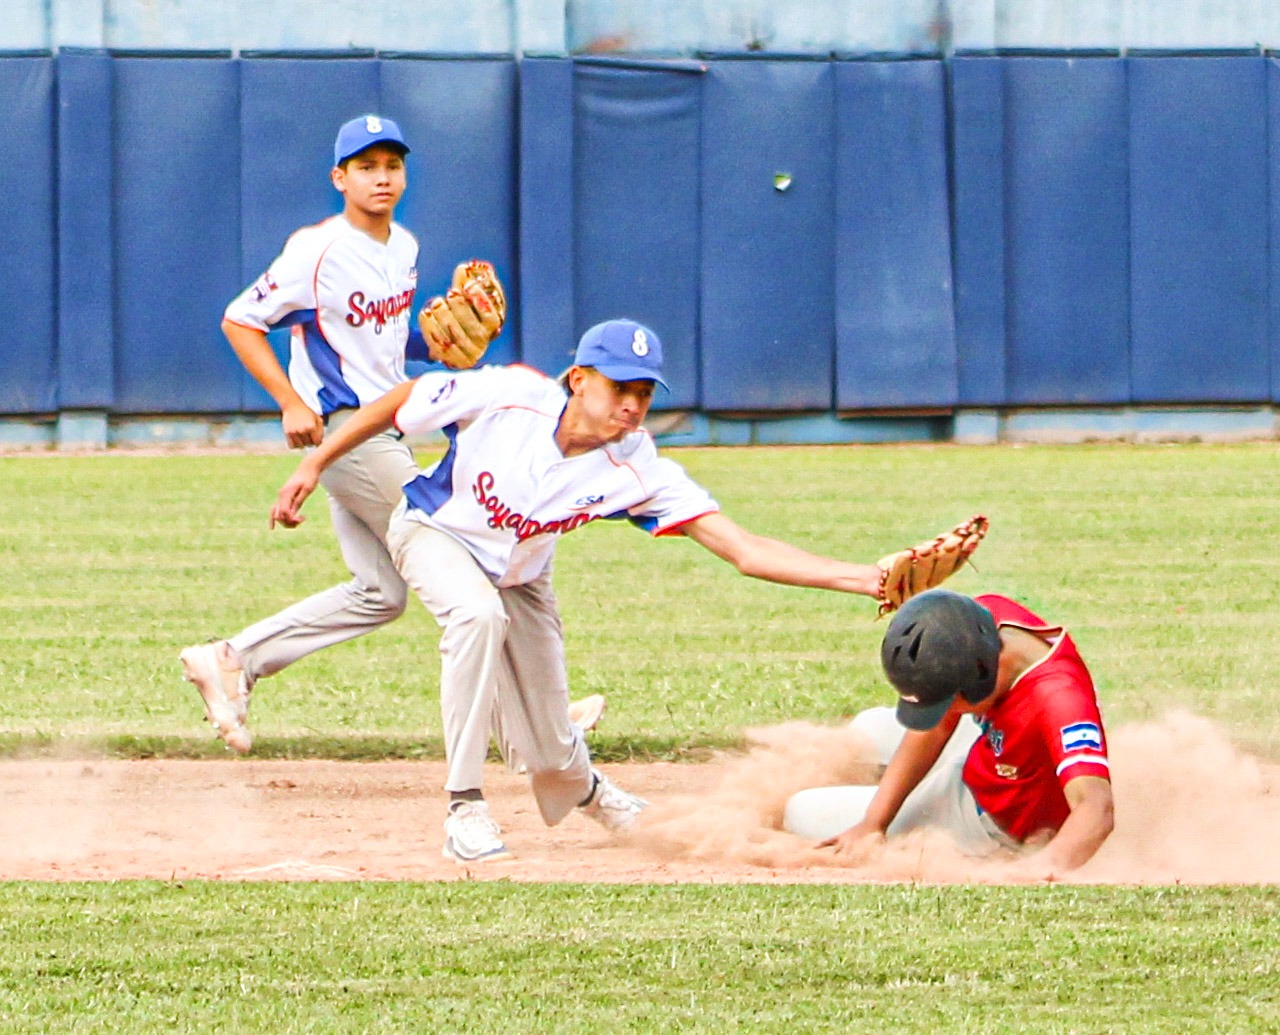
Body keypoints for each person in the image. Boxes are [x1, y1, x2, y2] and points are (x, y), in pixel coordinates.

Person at [267, 318, 981, 864]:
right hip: (433, 530)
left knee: (551, 746)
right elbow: (400, 401)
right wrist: (313, 465)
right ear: (579, 379)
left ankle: (588, 791)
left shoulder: (637, 468)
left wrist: (867, 578)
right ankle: (464, 805)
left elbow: (742, 549)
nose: (633, 405)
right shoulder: (510, 393)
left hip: (521, 575)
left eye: (643, 392)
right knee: (475, 618)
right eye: (620, 387)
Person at [181, 114, 449, 753]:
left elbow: (380, 343)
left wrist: (434, 344)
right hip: (348, 433)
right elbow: (240, 320)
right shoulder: (317, 250)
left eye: (392, 166)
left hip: (384, 430)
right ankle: (543, 723)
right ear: (339, 178)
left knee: (381, 593)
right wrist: (289, 400)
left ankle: (233, 658)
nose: (381, 178)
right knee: (461, 552)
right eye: (366, 167)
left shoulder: (405, 247)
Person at [783, 589, 1115, 878]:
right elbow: (937, 723)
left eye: (944, 702)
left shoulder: (1059, 699)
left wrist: (1038, 869)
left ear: (978, 678)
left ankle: (917, 797)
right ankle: (893, 793)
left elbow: (1097, 808)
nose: (939, 712)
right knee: (866, 728)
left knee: (801, 812)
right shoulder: (977, 625)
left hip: (989, 818)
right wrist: (873, 823)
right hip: (988, 749)